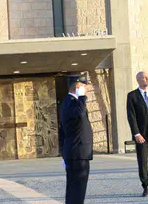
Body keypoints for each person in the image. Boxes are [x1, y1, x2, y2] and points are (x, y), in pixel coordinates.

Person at [59, 73, 93, 204]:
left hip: (76, 152)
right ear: (78, 87)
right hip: (77, 152)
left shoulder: (71, 102)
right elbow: (79, 114)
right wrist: (82, 96)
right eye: (84, 86)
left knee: (75, 188)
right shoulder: (72, 102)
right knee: (77, 189)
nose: (87, 89)